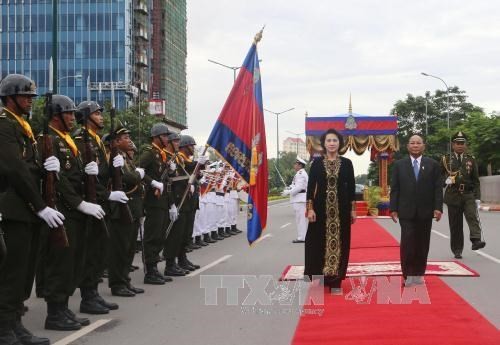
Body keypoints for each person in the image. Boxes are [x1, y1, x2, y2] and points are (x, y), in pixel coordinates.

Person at [0, 74, 63, 345]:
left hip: (27, 210)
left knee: (25, 272)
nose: (30, 101)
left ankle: (15, 323)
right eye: (25, 97)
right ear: (10, 98)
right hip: (13, 208)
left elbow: (30, 165)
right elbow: (14, 168)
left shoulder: (23, 126)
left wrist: (49, 168)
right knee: (12, 271)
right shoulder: (4, 125)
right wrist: (39, 206)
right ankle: (4, 328)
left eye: (31, 97)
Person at [40, 95, 106, 331]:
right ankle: (55, 313)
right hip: (61, 211)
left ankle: (63, 308)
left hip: (73, 212)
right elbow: (60, 181)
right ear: (56, 116)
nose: (73, 118)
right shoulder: (48, 140)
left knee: (72, 262)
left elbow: (72, 177)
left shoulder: (67, 140)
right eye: (69, 114)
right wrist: (79, 203)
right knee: (60, 263)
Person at [73, 100, 120, 314]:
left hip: (101, 202)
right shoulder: (81, 140)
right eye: (97, 113)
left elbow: (101, 174)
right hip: (91, 201)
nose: (101, 117)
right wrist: (107, 194)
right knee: (90, 252)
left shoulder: (97, 141)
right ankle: (87, 297)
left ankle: (93, 293)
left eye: (101, 113)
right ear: (87, 116)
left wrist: (114, 165)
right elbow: (84, 178)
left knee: (99, 250)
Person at [304, 129, 356, 293]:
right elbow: (311, 187)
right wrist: (310, 209)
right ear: (324, 144)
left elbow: (352, 187)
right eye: (329, 141)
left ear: (339, 143)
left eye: (335, 140)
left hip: (341, 211)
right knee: (317, 243)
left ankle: (335, 282)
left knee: (340, 244)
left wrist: (353, 210)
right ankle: (320, 279)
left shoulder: (347, 163)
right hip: (320, 211)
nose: (332, 143)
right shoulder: (317, 163)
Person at [390, 134, 443, 287]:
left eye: (418, 143)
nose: (415, 145)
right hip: (406, 212)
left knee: (422, 244)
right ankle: (407, 275)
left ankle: (419, 274)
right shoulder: (399, 165)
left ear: (423, 146)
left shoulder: (433, 165)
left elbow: (437, 189)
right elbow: (395, 189)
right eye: (412, 143)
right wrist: (393, 208)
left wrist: (438, 208)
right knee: (408, 243)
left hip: (425, 212)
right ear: (408, 146)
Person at [140, 123, 176, 285]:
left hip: (162, 200)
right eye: (165, 136)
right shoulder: (149, 153)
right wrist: (152, 182)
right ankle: (150, 271)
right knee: (152, 235)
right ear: (156, 137)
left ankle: (154, 268)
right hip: (152, 200)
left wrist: (171, 203)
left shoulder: (162, 155)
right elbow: (136, 170)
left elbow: (167, 179)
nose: (167, 139)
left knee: (160, 234)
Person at [442, 131, 485, 259]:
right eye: (457, 143)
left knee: (472, 216)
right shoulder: (446, 159)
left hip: (468, 194)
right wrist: (445, 181)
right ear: (453, 144)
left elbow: (476, 180)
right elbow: (438, 177)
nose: (460, 145)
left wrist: (477, 197)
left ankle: (476, 240)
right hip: (453, 194)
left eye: (462, 143)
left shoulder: (471, 159)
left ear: (465, 145)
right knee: (456, 225)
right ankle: (457, 249)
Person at [282, 156, 309, 243]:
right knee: (300, 219)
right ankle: (302, 236)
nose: (294, 165)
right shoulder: (299, 173)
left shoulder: (301, 174)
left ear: (300, 165)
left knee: (300, 219)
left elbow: (299, 187)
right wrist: (289, 188)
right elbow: (295, 185)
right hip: (299, 199)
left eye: (296, 164)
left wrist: (288, 192)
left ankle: (302, 237)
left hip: (300, 199)